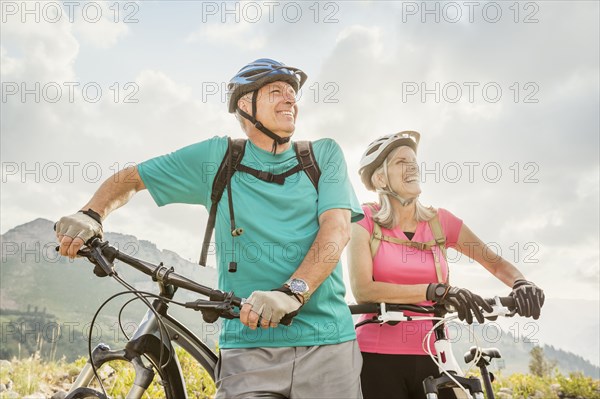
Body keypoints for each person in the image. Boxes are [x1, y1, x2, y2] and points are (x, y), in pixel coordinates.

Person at [55, 58, 364, 398]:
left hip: (328, 345)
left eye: (293, 93)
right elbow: (132, 179)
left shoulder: (323, 155)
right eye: (277, 91)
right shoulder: (218, 157)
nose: (291, 99)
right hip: (248, 351)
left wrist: (292, 292)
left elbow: (336, 230)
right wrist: (91, 213)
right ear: (245, 105)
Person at [348, 131, 545, 399]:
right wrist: (436, 291)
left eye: (413, 161)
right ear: (380, 178)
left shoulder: (439, 221)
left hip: (433, 351)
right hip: (378, 356)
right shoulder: (364, 219)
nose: (412, 167)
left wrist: (522, 282)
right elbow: (364, 290)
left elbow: (495, 263)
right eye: (400, 162)